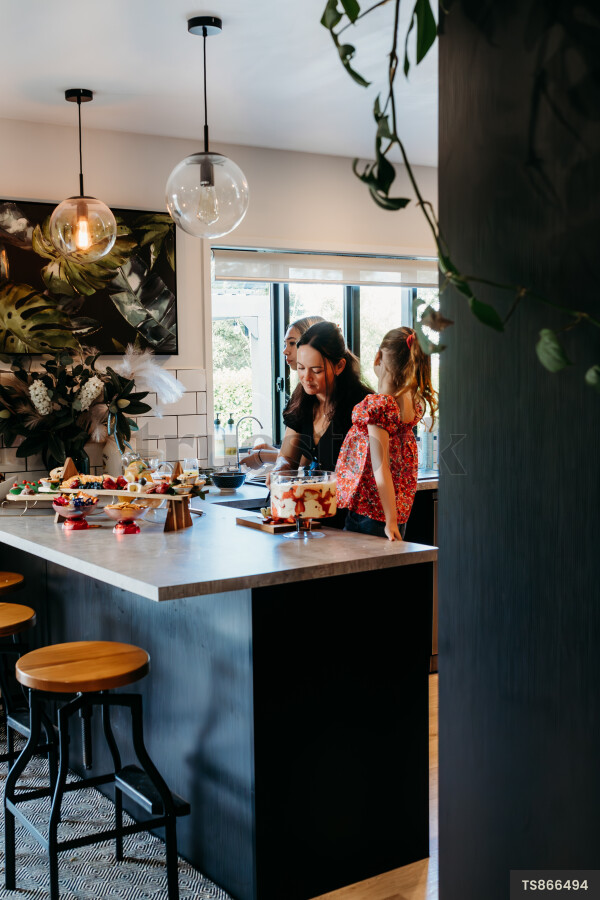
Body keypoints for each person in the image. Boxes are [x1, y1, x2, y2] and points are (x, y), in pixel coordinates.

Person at [336, 326, 438, 541]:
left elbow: (381, 469)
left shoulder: (379, 407)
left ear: (378, 357)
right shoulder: (411, 403)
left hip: (370, 511)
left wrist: (389, 520)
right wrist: (393, 519)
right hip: (398, 510)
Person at [270, 321, 373, 526]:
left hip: (351, 522)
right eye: (301, 368)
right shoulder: (302, 401)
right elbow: (288, 457)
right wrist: (279, 470)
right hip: (312, 515)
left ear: (339, 366)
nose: (306, 378)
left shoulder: (362, 406)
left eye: (316, 370)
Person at [241, 315, 324, 468]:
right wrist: (269, 452)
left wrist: (263, 456)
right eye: (285, 344)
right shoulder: (301, 394)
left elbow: (309, 461)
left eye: (292, 343)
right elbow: (298, 458)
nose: (285, 351)